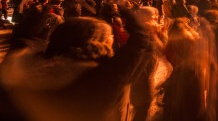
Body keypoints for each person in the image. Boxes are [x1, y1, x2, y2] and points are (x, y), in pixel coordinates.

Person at [0, 9, 151, 121]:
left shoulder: (22, 68)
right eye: (109, 36)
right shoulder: (99, 76)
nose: (112, 38)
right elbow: (138, 46)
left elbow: (21, 42)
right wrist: (130, 15)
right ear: (97, 40)